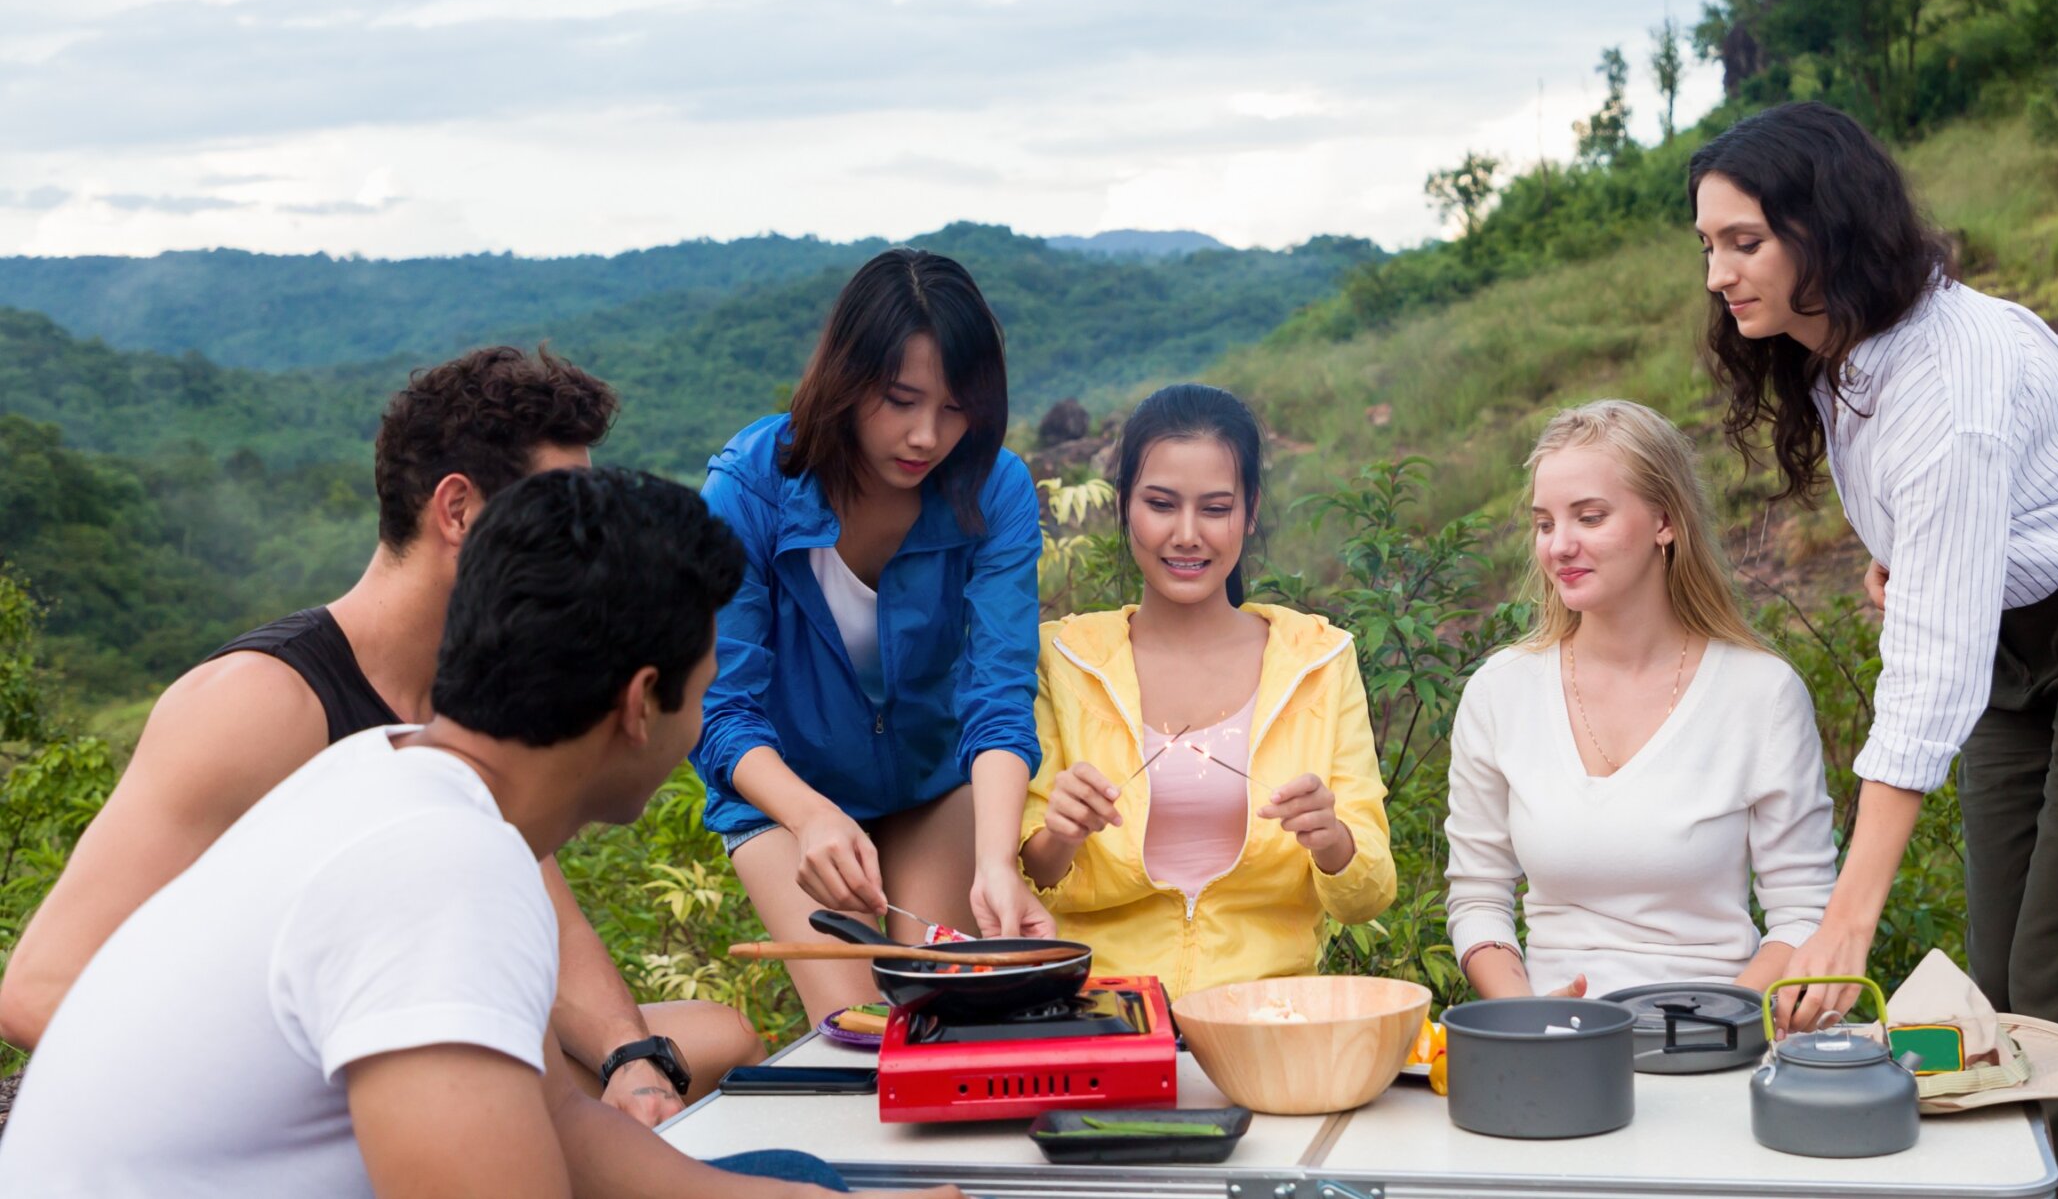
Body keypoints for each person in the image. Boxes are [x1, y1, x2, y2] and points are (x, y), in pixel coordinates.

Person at [0, 467, 948, 1199]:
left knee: (803, 1173)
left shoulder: (391, 772)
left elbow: (564, 1127)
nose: (702, 729)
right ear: (637, 705)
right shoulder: (442, 869)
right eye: (700, 695)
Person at [1688, 101, 2058, 1199]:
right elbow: (1954, 529)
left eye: (1743, 243)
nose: (1717, 274)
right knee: (2001, 993)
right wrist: (1923, 557)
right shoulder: (1840, 349)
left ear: (1825, 232)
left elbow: (1930, 668)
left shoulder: (1951, 376)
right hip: (2013, 647)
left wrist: (1845, 923)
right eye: (1708, 246)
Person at [0, 347, 759, 1120]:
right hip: (286, 1090)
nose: (581, 535)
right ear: (457, 510)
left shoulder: (487, 690)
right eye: (555, 503)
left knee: (717, 1037)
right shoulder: (262, 702)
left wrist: (630, 1058)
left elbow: (545, 908)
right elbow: (39, 988)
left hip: (410, 1048)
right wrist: (346, 1100)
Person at [694, 248, 1050, 1025]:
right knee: (865, 1036)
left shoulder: (993, 489)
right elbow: (720, 710)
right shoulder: (749, 490)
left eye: (956, 409)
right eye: (900, 399)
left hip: (931, 782)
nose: (927, 436)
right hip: (788, 793)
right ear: (848, 378)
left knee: (937, 1006)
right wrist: (811, 815)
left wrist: (997, 861)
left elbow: (998, 693)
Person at [1444, 400, 1837, 1001]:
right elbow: (1477, 895)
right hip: (1555, 1042)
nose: (1559, 546)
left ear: (1665, 521)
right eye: (1545, 523)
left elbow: (1803, 911)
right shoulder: (1500, 691)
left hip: (1714, 1040)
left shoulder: (1761, 693)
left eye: (1590, 517)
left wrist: (1719, 1023)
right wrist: (1524, 1018)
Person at [1020, 383, 1394, 997]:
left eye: (1216, 509)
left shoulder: (1319, 661)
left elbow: (1369, 894)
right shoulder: (1063, 661)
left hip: (1267, 1019)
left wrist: (1333, 840)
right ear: (1125, 507)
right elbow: (1028, 872)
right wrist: (1061, 832)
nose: (1187, 534)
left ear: (1248, 513)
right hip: (1103, 1016)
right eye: (1161, 504)